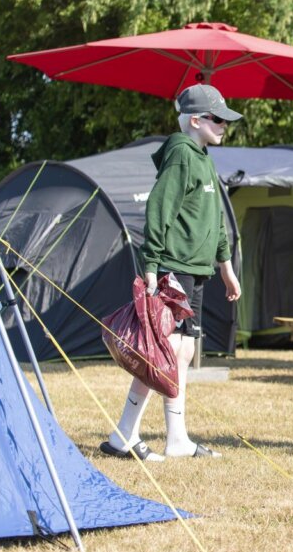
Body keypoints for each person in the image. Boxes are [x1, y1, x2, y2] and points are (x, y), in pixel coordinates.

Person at [100, 84, 242, 461]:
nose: (224, 125)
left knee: (180, 352)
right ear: (195, 120)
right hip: (173, 267)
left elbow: (216, 223)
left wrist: (226, 268)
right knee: (162, 352)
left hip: (197, 270)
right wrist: (151, 267)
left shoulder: (204, 158)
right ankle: (127, 435)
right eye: (217, 118)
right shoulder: (181, 155)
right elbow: (158, 213)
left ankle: (166, 438)